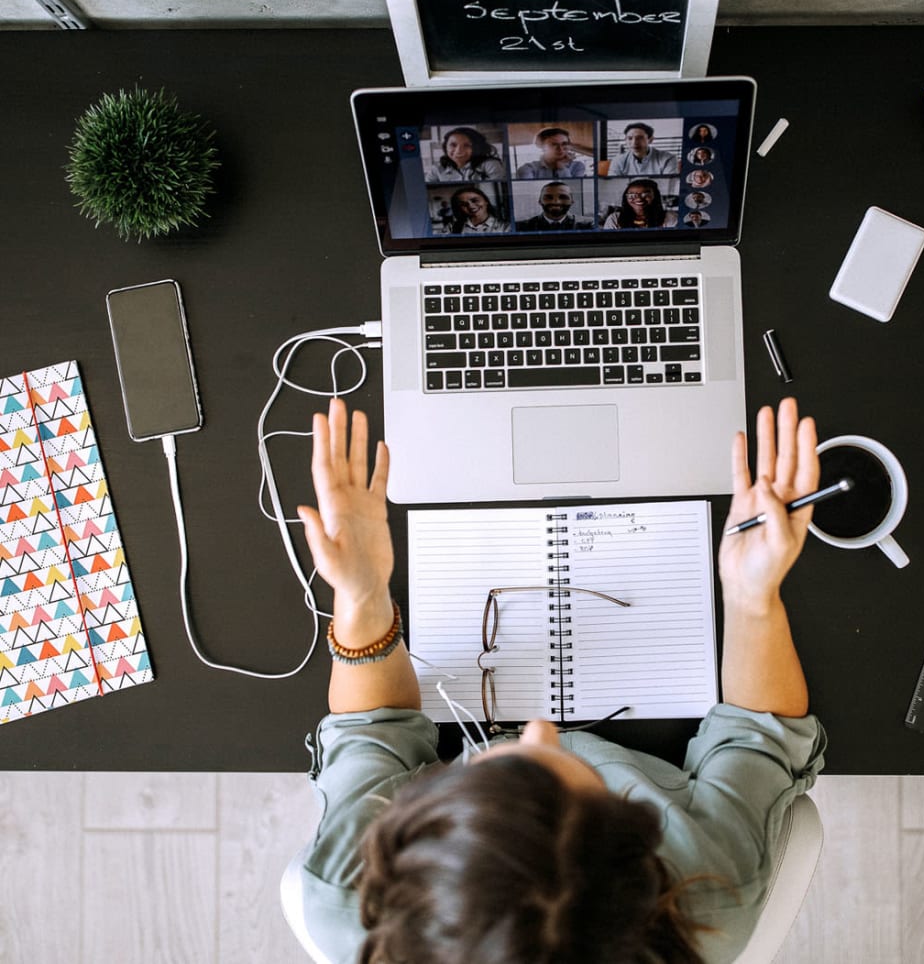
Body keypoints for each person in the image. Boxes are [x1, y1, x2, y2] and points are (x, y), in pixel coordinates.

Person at [289, 396, 827, 964]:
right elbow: (759, 739)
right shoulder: (710, 896)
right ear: (642, 844)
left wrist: (363, 600)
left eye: (501, 763)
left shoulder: (348, 898)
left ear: (411, 834)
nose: (540, 728)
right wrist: (752, 599)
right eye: (579, 778)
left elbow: (374, 733)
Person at [425, 126, 505, 183]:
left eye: (467, 145)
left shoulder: (490, 165)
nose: (459, 151)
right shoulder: (437, 168)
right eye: (453, 145)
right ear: (445, 147)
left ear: (477, 147)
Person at [609, 122, 679, 177]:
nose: (634, 142)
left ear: (650, 140)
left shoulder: (668, 159)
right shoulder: (617, 161)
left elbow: (670, 185)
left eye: (640, 138)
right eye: (630, 138)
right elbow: (612, 185)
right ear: (625, 140)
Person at [515, 127, 588, 179]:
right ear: (542, 147)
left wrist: (562, 168)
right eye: (554, 144)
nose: (560, 148)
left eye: (564, 144)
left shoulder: (577, 166)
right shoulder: (528, 169)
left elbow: (573, 192)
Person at [517, 182, 592, 230]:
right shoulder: (522, 227)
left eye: (563, 197)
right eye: (549, 197)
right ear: (540, 201)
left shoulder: (589, 225)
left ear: (572, 201)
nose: (556, 202)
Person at [603, 177, 673, 229]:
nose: (639, 199)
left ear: (655, 196)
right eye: (632, 195)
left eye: (645, 195)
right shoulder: (614, 218)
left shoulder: (670, 217)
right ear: (626, 197)